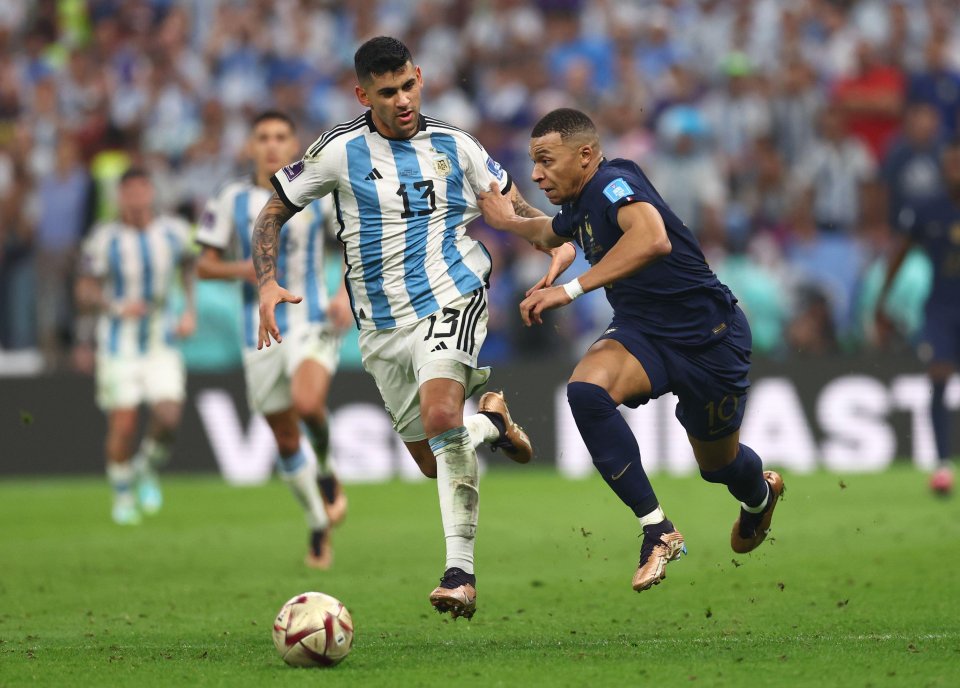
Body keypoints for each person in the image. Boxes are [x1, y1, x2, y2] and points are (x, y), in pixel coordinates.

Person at [252, 37, 536, 619]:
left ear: (420, 77)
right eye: (387, 92)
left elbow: (514, 205)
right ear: (363, 94)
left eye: (409, 85)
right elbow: (274, 209)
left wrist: (556, 242)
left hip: (453, 291)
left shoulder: (456, 144)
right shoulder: (337, 151)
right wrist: (266, 281)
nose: (403, 99)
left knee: (438, 420)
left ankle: (460, 574)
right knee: (437, 459)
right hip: (381, 326)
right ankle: (490, 423)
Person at [476, 108, 784, 592]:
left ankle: (760, 496)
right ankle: (658, 529)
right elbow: (547, 234)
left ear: (585, 155)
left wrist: (569, 291)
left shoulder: (612, 183)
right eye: (534, 162)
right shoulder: (581, 203)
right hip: (644, 333)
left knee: (718, 467)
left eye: (545, 160)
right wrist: (507, 220)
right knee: (585, 391)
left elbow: (652, 238)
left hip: (711, 338)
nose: (536, 173)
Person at [196, 110, 350, 569]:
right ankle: (317, 522)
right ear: (250, 146)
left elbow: (351, 243)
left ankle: (324, 470)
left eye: (280, 136)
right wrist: (243, 269)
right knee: (284, 437)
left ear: (293, 143)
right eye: (262, 137)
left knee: (307, 405)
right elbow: (204, 264)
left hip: (311, 316)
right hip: (257, 332)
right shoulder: (230, 197)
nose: (271, 144)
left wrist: (343, 293)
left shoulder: (317, 189)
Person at [75, 168, 196, 525]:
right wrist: (114, 306)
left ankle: (145, 468)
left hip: (161, 340)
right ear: (120, 196)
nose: (136, 196)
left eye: (142, 188)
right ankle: (122, 492)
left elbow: (189, 268)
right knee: (124, 425)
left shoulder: (173, 231)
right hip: (118, 343)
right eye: (128, 190)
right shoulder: (103, 237)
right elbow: (84, 289)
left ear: (151, 192)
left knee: (169, 415)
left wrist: (190, 311)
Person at [877, 137, 960, 496]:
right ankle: (942, 464)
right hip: (942, 306)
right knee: (938, 374)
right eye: (951, 164)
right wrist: (883, 299)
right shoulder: (928, 208)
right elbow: (900, 253)